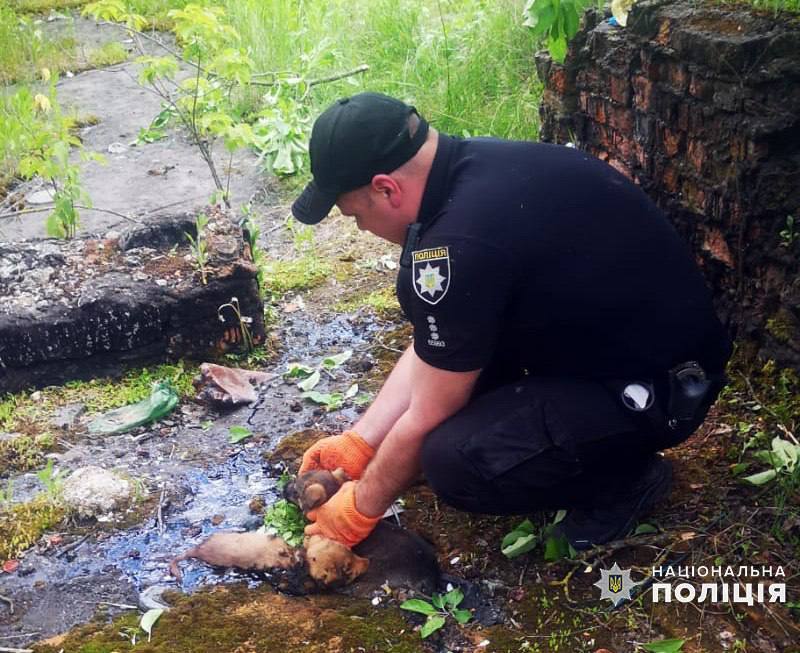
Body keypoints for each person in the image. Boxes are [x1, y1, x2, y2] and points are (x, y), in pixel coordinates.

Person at [291, 92, 731, 551]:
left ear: (386, 188)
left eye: (357, 216)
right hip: (619, 346)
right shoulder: (475, 167)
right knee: (454, 392)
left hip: (661, 390)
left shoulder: (462, 242)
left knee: (453, 461)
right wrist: (361, 443)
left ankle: (625, 482)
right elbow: (440, 342)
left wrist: (362, 505)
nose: (363, 229)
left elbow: (427, 411)